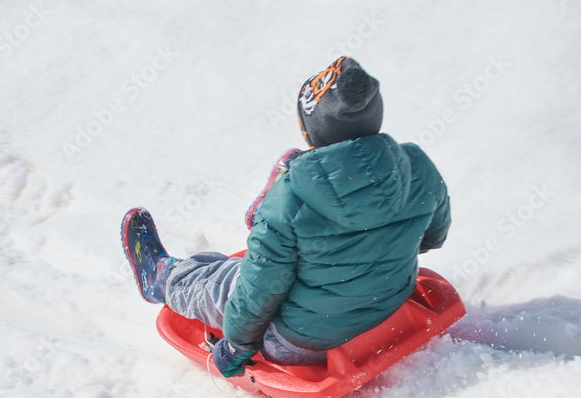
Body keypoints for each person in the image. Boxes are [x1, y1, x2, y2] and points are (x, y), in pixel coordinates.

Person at [121, 57, 451, 378]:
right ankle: (268, 224)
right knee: (269, 249)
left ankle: (162, 278)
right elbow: (433, 237)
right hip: (390, 307)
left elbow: (259, 289)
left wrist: (236, 345)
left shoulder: (292, 200)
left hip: (301, 342)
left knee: (222, 281)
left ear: (311, 131)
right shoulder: (417, 165)